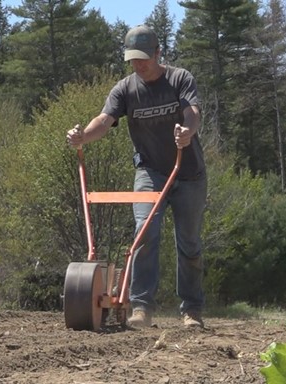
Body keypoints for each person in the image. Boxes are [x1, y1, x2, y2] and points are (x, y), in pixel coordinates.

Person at [66, 25, 207, 330]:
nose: (139, 65)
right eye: (133, 60)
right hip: (150, 172)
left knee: (189, 242)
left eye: (144, 58)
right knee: (144, 233)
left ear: (158, 53)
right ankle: (141, 307)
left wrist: (187, 131)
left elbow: (192, 111)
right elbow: (105, 120)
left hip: (189, 172)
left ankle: (191, 311)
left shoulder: (179, 79)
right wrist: (83, 137)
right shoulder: (125, 89)